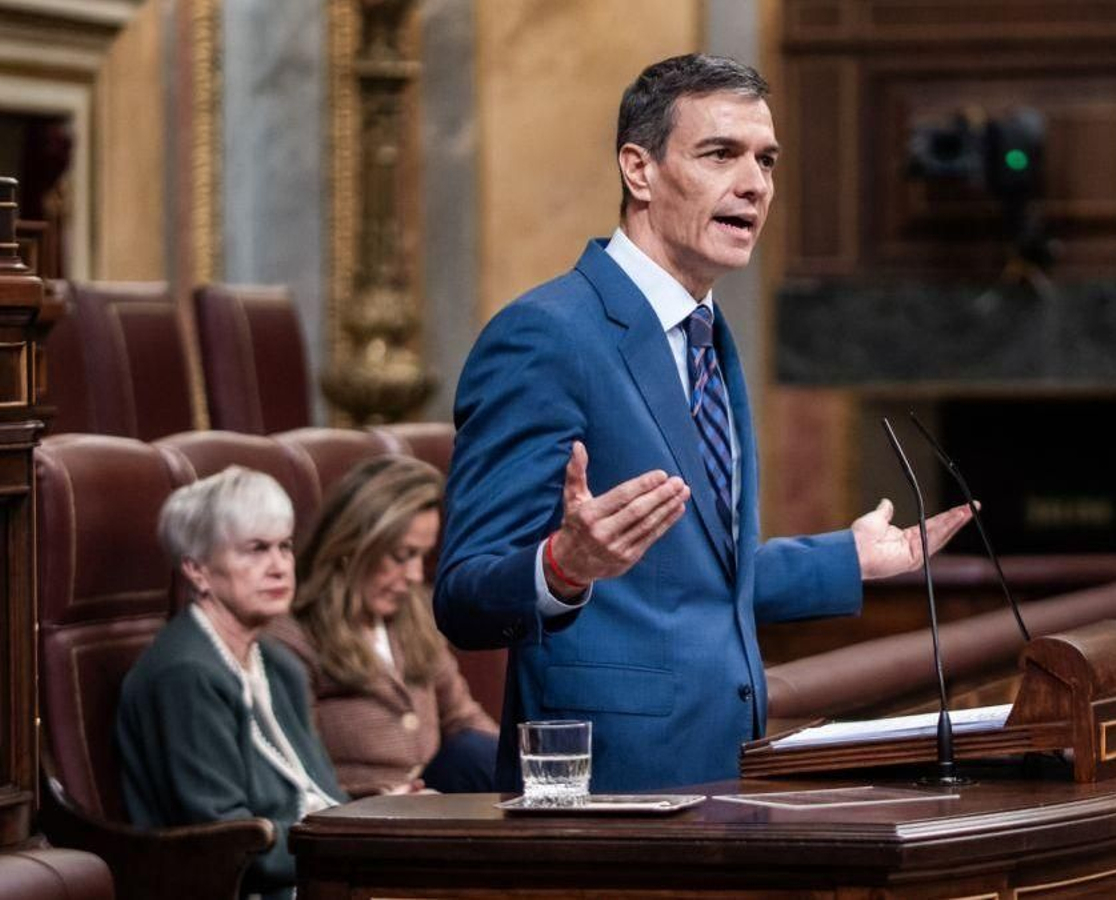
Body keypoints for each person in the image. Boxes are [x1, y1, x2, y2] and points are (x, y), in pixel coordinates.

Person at [436, 53, 974, 793]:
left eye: (766, 160)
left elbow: (689, 583)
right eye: (720, 154)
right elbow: (464, 595)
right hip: (606, 798)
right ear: (639, 170)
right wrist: (561, 569)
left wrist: (847, 561)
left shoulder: (707, 334)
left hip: (722, 780)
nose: (754, 184)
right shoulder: (545, 336)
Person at [117, 467, 345, 900]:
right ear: (197, 569)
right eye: (256, 550)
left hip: (310, 869)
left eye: (285, 546)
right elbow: (225, 839)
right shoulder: (184, 673)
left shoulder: (278, 663)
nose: (279, 566)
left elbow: (322, 792)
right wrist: (349, 849)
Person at [267, 456, 499, 797]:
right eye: (402, 555)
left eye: (422, 556)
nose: (415, 575)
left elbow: (462, 718)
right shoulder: (294, 636)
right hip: (360, 814)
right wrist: (383, 793)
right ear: (352, 546)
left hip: (436, 800)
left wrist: (526, 767)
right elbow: (299, 769)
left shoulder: (415, 612)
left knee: (480, 752)